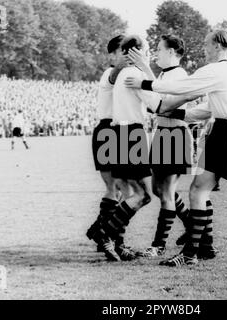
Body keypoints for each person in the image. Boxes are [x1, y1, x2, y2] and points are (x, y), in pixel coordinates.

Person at [125, 29, 227, 267]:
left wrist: (143, 82)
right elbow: (204, 109)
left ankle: (190, 253)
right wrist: (177, 112)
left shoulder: (217, 70)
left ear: (218, 46)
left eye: (206, 44)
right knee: (201, 190)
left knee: (197, 192)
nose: (203, 48)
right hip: (224, 131)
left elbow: (182, 87)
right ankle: (205, 247)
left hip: (224, 133)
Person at [97, 34, 194, 262]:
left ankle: (113, 238)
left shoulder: (124, 73)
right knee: (145, 195)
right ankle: (105, 234)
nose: (151, 53)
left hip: (120, 134)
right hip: (132, 135)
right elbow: (157, 105)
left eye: (156, 48)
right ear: (136, 52)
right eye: (149, 49)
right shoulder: (136, 74)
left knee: (148, 192)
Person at [126, 35, 192, 258]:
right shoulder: (164, 74)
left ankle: (158, 246)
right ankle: (193, 227)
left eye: (160, 50)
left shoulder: (180, 74)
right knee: (158, 190)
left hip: (174, 135)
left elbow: (162, 103)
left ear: (173, 51)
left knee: (166, 194)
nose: (156, 53)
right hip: (163, 134)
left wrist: (144, 67)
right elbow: (157, 99)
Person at [86, 35, 134, 261]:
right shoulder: (110, 72)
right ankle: (109, 238)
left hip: (115, 129)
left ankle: (104, 235)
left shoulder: (123, 73)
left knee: (119, 188)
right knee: (116, 187)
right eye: (121, 52)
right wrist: (125, 63)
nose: (125, 55)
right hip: (107, 130)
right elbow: (115, 76)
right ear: (112, 55)